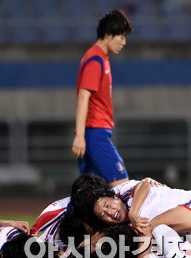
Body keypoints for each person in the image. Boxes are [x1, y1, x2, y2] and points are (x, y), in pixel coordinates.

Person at [71, 10, 132, 188]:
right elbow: (83, 97)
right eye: (121, 37)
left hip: (94, 132)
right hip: (95, 133)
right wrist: (80, 136)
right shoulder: (95, 59)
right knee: (123, 187)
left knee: (91, 195)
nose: (124, 42)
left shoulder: (100, 58)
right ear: (108, 35)